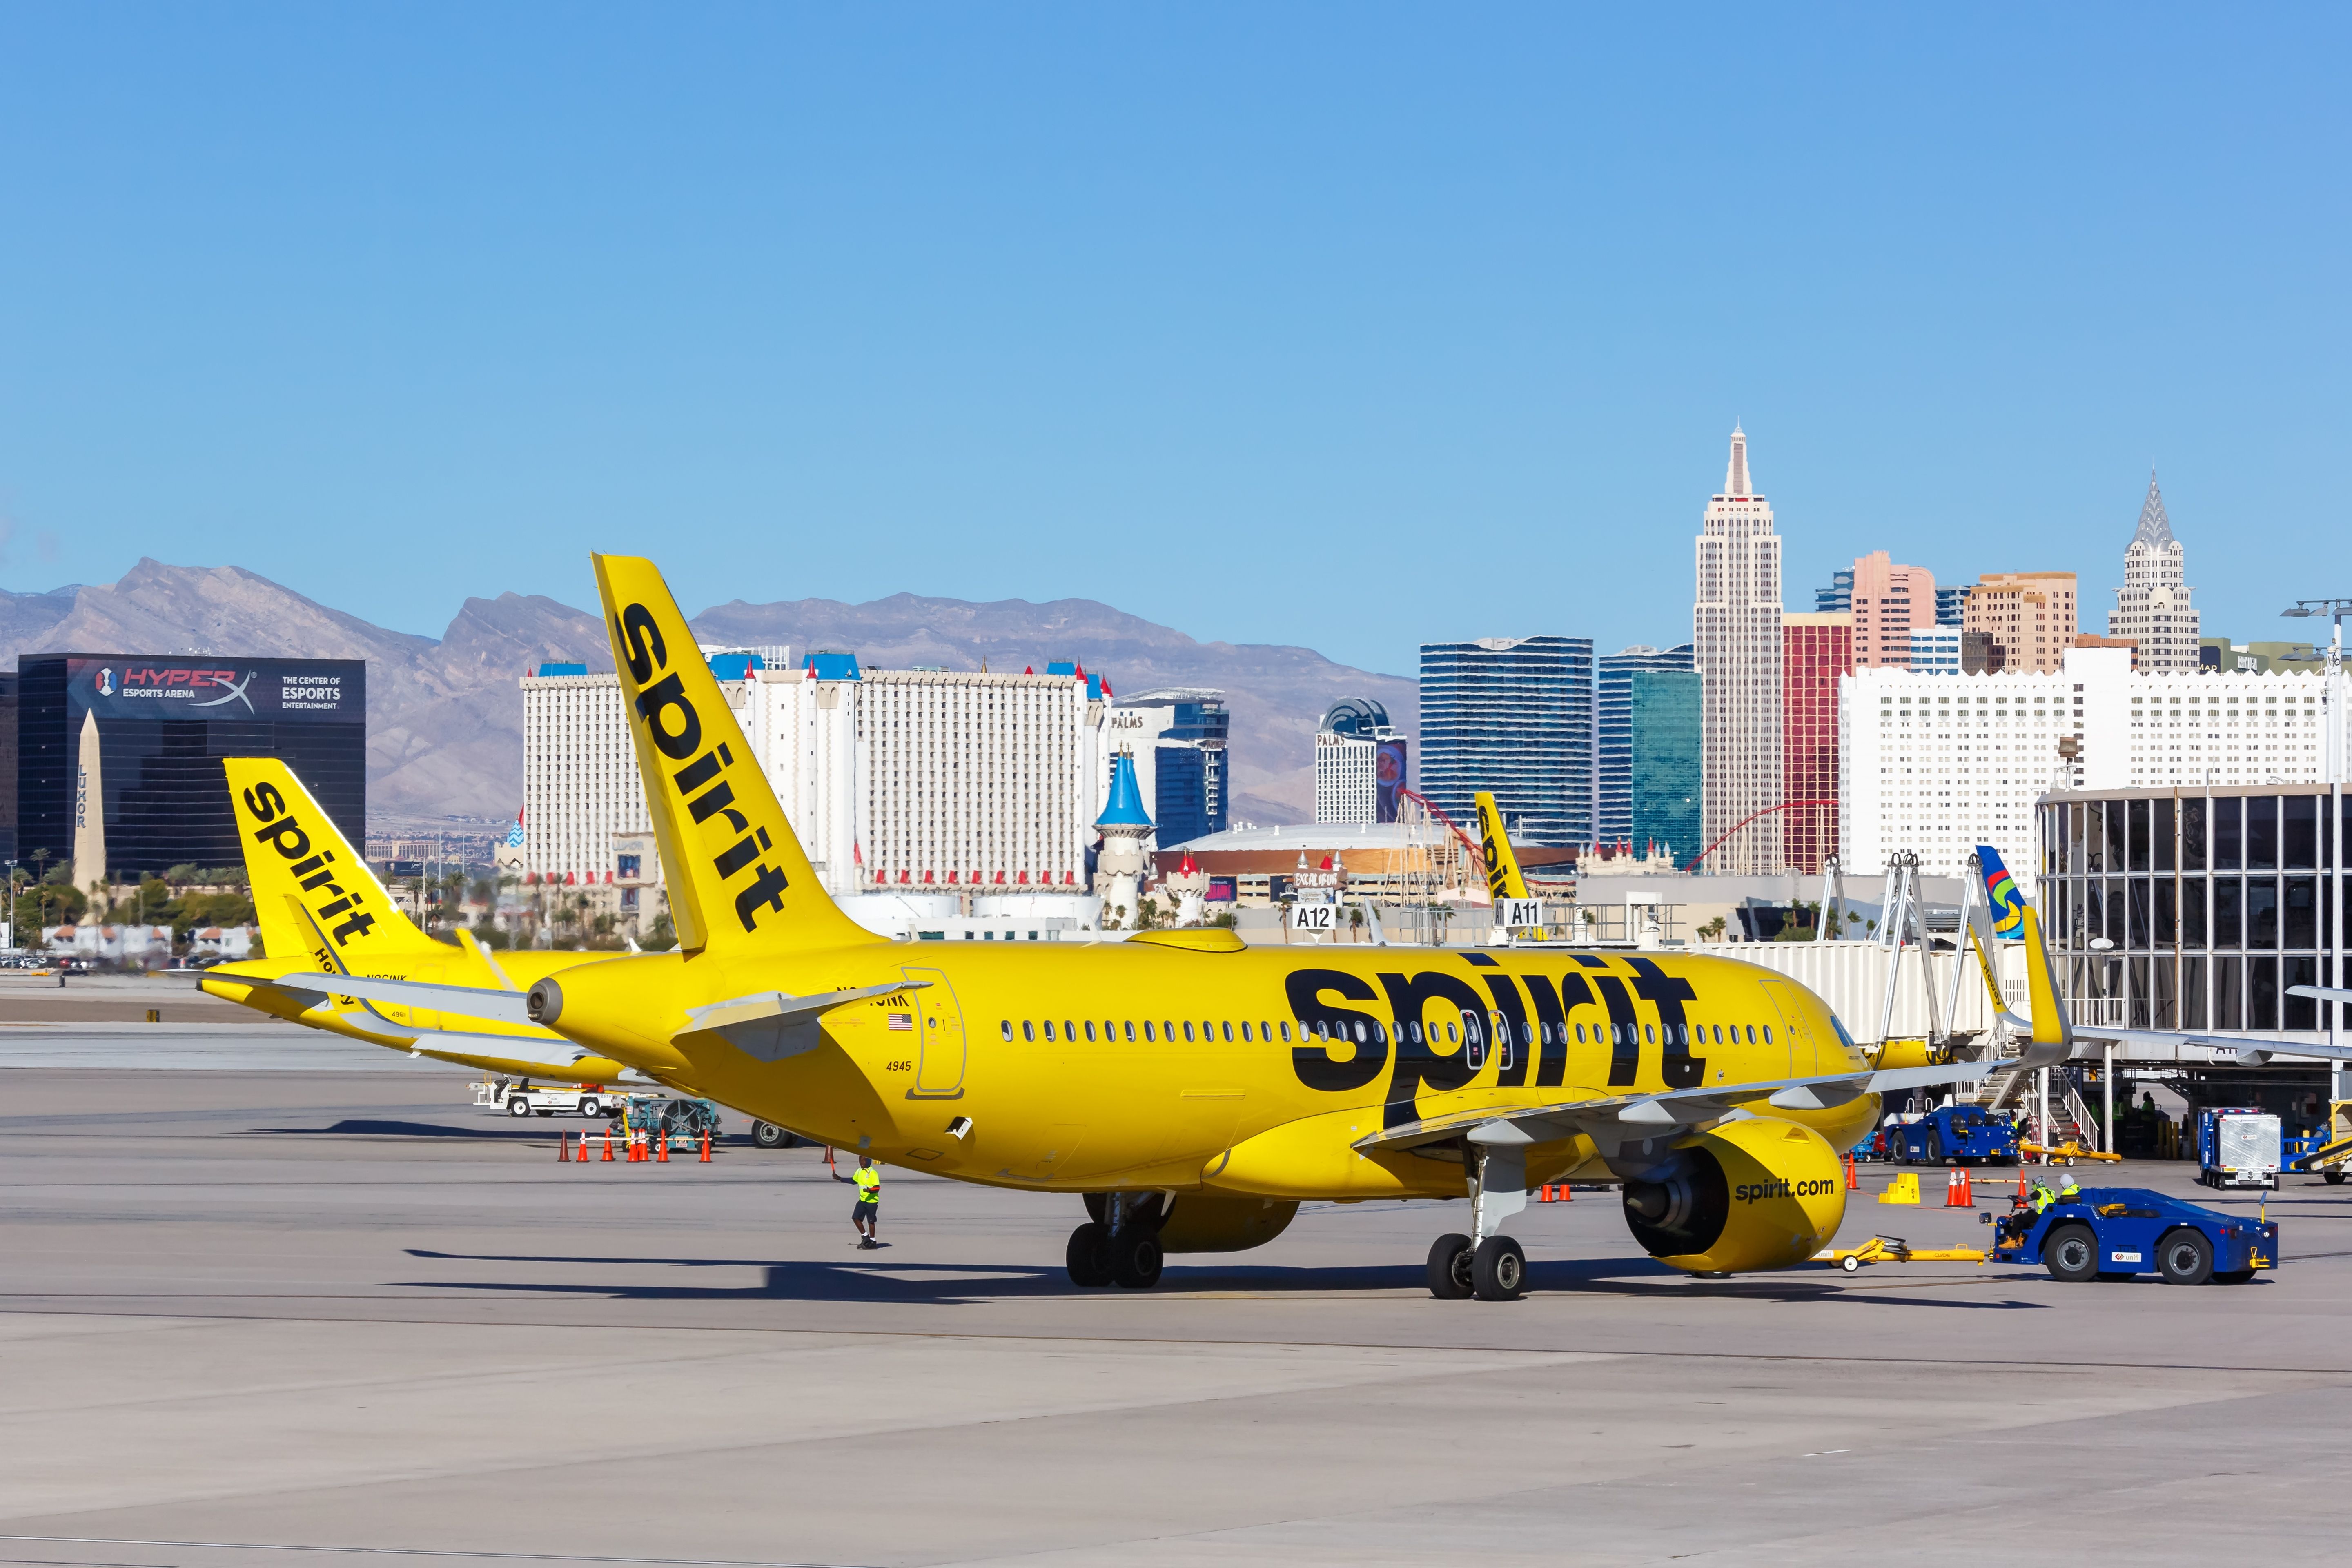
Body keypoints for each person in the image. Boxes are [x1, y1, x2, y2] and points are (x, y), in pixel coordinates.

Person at [835, 1153, 882, 1248]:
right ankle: (865, 1236)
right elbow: (853, 1181)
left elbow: (877, 1188)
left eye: (864, 1160)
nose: (862, 1162)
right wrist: (840, 1179)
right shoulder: (859, 1171)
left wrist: (870, 1190)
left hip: (872, 1201)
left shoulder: (873, 1173)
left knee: (871, 1221)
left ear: (868, 1161)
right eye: (860, 1160)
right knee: (856, 1218)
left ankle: (873, 1241)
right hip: (862, 1200)